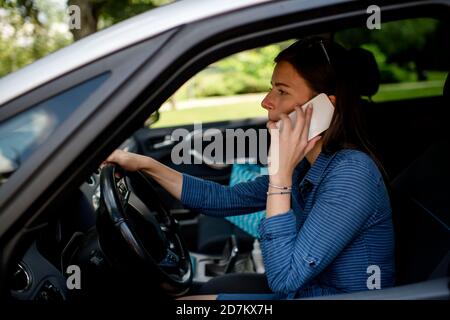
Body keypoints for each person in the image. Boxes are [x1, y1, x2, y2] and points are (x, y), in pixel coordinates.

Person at [105, 37, 395, 300]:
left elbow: (284, 279)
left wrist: (279, 177)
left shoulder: (351, 173)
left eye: (281, 91)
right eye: (271, 88)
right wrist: (145, 164)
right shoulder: (308, 166)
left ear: (323, 108)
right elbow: (221, 199)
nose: (266, 101)